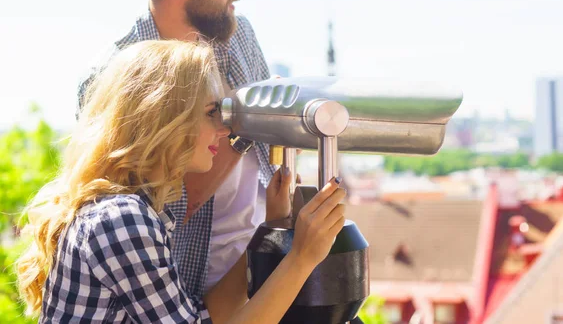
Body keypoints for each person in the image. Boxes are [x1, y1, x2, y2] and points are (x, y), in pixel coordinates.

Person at [17, 40, 346, 323]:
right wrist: (302, 257)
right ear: (163, 118)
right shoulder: (122, 221)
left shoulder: (128, 212)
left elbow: (205, 315)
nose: (223, 129)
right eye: (209, 113)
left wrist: (269, 229)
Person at [76, 0, 279, 299]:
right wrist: (242, 127)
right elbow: (162, 207)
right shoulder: (112, 80)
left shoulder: (238, 35)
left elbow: (273, 150)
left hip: (265, 260)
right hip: (184, 286)